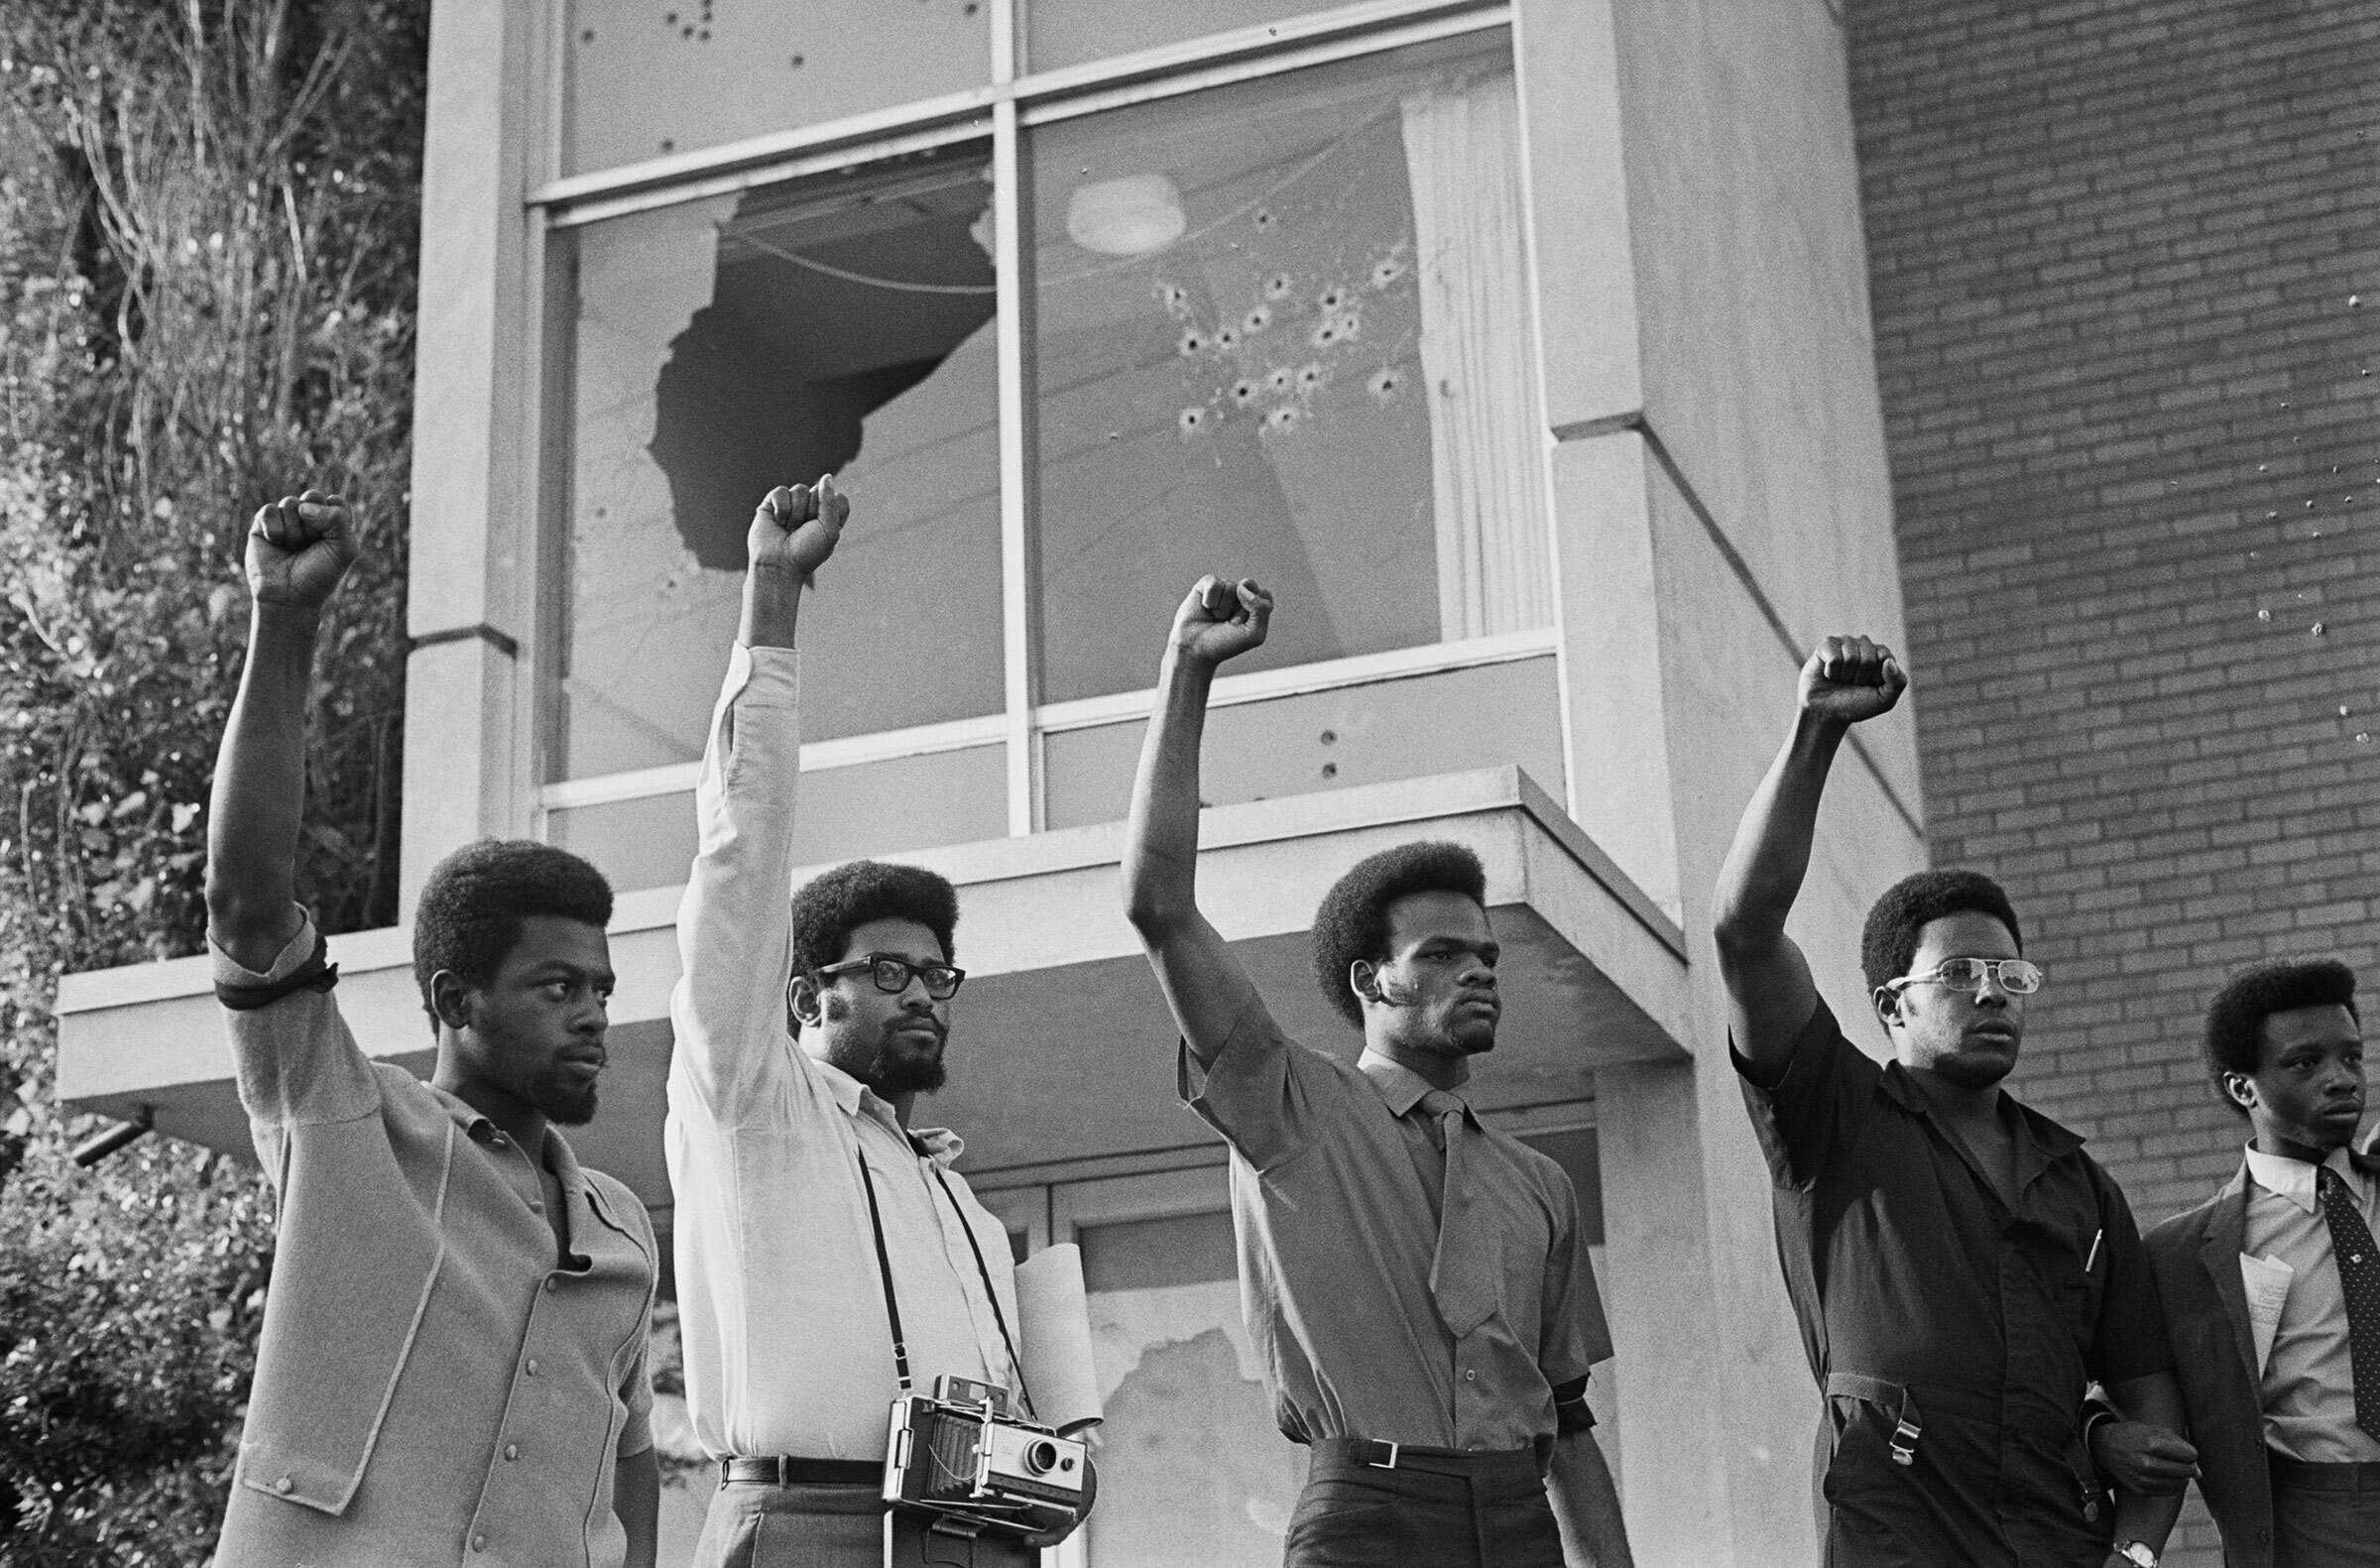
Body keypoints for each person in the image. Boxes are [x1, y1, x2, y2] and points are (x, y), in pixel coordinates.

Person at [1120, 575, 1634, 1568]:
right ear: (1371, 979)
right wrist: (1187, 670)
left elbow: (1569, 1424)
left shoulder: (1540, 1186)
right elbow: (1159, 907)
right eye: (1441, 954)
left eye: (1486, 956)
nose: (1478, 972)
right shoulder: (1293, 1106)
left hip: (1519, 1520)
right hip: (1372, 1515)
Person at [205, 490, 658, 1567]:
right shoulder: (345, 1118)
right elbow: (248, 905)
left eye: (602, 989)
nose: (594, 1015)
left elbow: (632, 1456)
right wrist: (285, 619)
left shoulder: (624, 1227)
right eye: (558, 987)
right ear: (457, 1001)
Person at [1711, 633, 2194, 1568]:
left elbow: (2150, 1395)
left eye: (2011, 976)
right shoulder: (1830, 1116)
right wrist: (1815, 732)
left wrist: (2136, 1554)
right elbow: (1745, 927)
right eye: (1962, 974)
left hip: (2060, 1545)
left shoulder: (2081, 1185)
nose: (1992, 994)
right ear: (1892, 1004)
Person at [666, 479, 1081, 1568]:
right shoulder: (752, 1100)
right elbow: (740, 855)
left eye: (937, 975)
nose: (921, 993)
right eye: (889, 970)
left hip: (973, 1533)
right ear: (807, 996)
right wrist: (773, 595)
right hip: (810, 1521)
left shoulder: (956, 1198)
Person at [2143, 958, 2377, 1568]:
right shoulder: (2182, 1253)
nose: (2342, 1079)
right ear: (2242, 1088)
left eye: (2352, 1057)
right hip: (2315, 1517)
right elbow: (2125, 1391)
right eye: (2306, 1063)